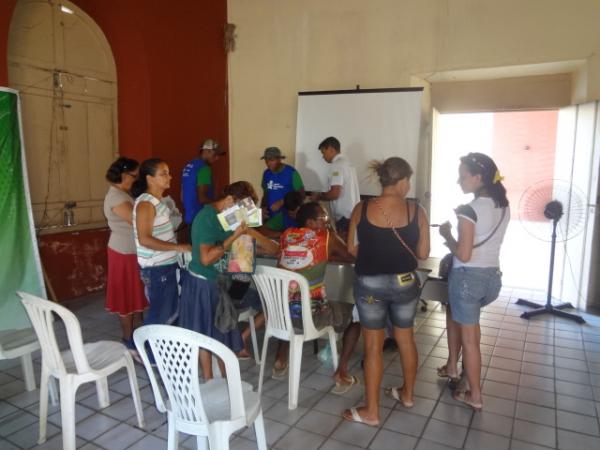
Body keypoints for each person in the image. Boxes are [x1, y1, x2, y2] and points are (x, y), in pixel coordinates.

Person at [343, 157, 430, 427]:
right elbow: (423, 254)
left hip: (370, 284)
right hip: (405, 283)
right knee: (406, 339)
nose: (409, 186)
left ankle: (371, 411)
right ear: (402, 181)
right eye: (409, 181)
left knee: (372, 346)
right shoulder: (418, 211)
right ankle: (407, 394)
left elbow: (351, 250)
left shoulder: (362, 208)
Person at [179, 181, 278, 379]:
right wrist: (234, 237)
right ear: (230, 200)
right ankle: (210, 379)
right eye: (243, 209)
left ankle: (225, 381)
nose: (243, 215)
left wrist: (247, 231)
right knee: (203, 334)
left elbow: (273, 249)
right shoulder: (206, 218)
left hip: (220, 284)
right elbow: (206, 259)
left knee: (219, 334)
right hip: (202, 282)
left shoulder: (231, 218)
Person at [438, 152, 510, 411]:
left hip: (468, 279)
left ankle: (475, 395)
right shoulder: (503, 204)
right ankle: (463, 373)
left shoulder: (470, 210)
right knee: (473, 333)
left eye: (463, 176)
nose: (460, 181)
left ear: (478, 178)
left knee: (469, 341)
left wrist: (447, 235)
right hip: (491, 279)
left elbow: (464, 254)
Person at [273, 202, 361, 393]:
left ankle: (280, 359)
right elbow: (352, 256)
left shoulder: (286, 235)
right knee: (357, 315)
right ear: (311, 222)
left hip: (280, 314)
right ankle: (342, 371)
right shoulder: (327, 237)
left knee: (291, 299)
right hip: (311, 316)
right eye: (324, 218)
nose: (328, 222)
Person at [132, 159, 191, 329]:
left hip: (165, 265)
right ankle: (139, 349)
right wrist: (178, 247)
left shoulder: (157, 201)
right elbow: (145, 239)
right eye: (163, 174)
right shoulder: (146, 204)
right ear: (150, 179)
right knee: (161, 317)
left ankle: (153, 350)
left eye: (168, 172)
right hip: (158, 269)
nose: (170, 177)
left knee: (169, 313)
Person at [103, 157, 148, 354]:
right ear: (123, 175)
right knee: (125, 296)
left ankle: (140, 331)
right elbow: (138, 222)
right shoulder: (116, 198)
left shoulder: (124, 193)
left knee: (136, 292)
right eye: (134, 176)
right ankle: (128, 337)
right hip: (123, 253)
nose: (136, 179)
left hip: (132, 252)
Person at [311, 137, 360, 240]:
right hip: (353, 214)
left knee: (344, 249)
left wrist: (318, 196)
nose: (323, 157)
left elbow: (334, 193)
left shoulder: (337, 165)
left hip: (344, 217)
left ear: (331, 149)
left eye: (323, 153)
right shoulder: (348, 164)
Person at [181, 138, 225, 226]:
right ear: (206, 151)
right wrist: (222, 203)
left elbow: (182, 196)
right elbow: (202, 199)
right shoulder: (204, 169)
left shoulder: (189, 166)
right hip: (201, 217)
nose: (217, 158)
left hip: (190, 216)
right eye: (215, 154)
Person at [260, 146, 305, 232]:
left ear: (279, 159)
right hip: (271, 215)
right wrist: (262, 208)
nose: (268, 164)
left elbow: (301, 195)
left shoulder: (291, 173)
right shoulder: (266, 173)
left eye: (271, 160)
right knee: (264, 232)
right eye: (266, 161)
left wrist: (282, 201)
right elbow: (266, 194)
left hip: (287, 215)